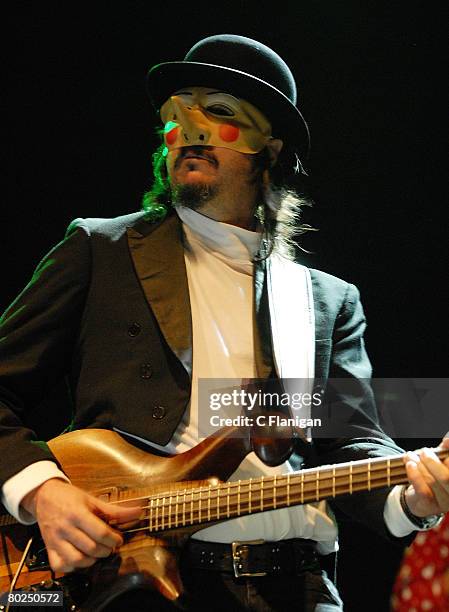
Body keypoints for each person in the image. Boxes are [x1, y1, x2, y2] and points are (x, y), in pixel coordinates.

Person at [1, 34, 448, 611]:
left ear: (271, 150)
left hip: (300, 587)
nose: (189, 131)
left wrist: (414, 496)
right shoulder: (101, 250)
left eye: (218, 113)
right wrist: (44, 492)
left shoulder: (325, 300)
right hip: (141, 583)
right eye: (176, 115)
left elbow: (352, 443)